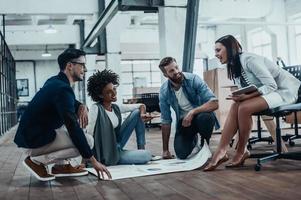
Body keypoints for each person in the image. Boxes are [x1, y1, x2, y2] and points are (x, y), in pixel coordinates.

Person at [204, 35, 301, 171]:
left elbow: (271, 85)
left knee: (244, 107)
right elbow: (248, 87)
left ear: (230, 49)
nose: (216, 55)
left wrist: (245, 97)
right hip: (269, 93)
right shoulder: (233, 65)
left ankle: (241, 150)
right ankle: (221, 151)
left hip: (283, 91)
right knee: (236, 105)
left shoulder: (249, 60)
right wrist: (240, 96)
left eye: (218, 50)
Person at [14, 48, 111, 181]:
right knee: (87, 141)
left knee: (67, 126)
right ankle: (37, 161)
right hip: (34, 142)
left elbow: (67, 103)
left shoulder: (54, 81)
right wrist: (93, 161)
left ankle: (60, 166)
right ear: (70, 66)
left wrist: (81, 106)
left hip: (30, 137)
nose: (85, 69)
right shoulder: (62, 89)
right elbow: (73, 127)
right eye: (82, 65)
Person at [86, 69, 153, 166]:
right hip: (104, 152)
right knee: (146, 156)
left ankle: (141, 148)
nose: (114, 94)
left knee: (136, 113)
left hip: (117, 145)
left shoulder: (116, 107)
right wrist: (87, 159)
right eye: (109, 92)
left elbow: (141, 105)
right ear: (100, 95)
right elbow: (89, 134)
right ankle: (118, 157)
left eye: (114, 89)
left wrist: (142, 115)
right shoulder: (95, 109)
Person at [158, 57, 219, 160]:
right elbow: (166, 121)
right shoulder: (164, 91)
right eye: (171, 71)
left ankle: (205, 144)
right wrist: (165, 150)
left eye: (176, 67)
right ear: (165, 75)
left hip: (201, 116)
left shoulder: (193, 79)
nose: (177, 71)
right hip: (184, 123)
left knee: (205, 117)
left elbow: (214, 103)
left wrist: (192, 112)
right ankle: (193, 140)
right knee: (181, 154)